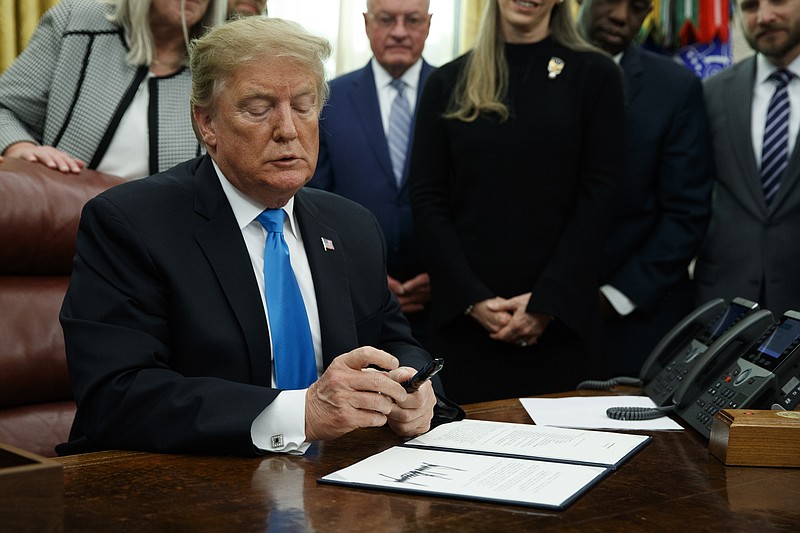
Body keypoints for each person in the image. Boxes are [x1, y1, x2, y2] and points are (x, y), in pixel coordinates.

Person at [58, 16, 448, 457]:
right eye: (259, 109)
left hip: (339, 484)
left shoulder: (353, 226)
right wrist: (301, 413)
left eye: (303, 105)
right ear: (207, 123)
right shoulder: (130, 224)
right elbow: (116, 395)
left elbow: (395, 343)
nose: (288, 129)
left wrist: (416, 388)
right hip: (192, 485)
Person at [409, 0, 625, 404]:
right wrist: (472, 299)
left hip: (560, 327)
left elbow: (600, 196)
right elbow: (426, 197)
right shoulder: (448, 80)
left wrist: (547, 302)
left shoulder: (595, 75)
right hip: (467, 327)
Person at [576, 0, 713, 376]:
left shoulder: (675, 87)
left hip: (635, 323)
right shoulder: (532, 71)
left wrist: (615, 297)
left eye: (638, 7)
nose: (621, 16)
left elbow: (687, 211)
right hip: (527, 320)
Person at [307, 0, 433, 344]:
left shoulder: (457, 93)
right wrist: (364, 275)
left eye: (413, 20)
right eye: (387, 19)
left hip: (445, 304)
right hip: (356, 301)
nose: (399, 32)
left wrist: (445, 273)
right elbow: (316, 201)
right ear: (366, 23)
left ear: (429, 24)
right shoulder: (328, 98)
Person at [0, 0, 226, 180]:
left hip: (162, 232)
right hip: (58, 218)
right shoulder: (75, 22)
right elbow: (4, 109)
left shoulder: (221, 66)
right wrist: (19, 147)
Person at [695, 0, 800, 317]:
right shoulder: (710, 94)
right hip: (724, 306)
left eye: (778, 1)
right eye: (750, 6)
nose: (765, 16)